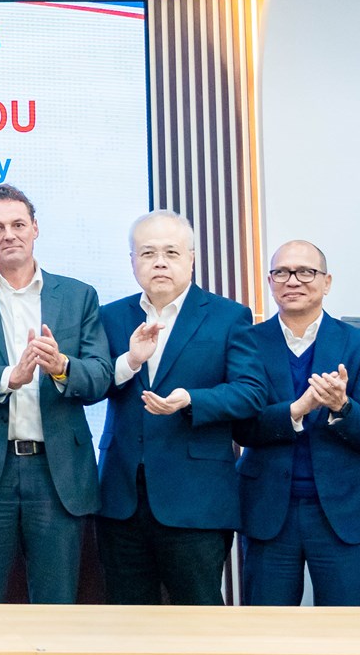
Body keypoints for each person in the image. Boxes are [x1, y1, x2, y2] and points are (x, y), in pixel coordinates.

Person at [0, 185, 111, 604]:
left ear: (35, 229)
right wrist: (10, 377)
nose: (8, 234)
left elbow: (100, 375)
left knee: (56, 603)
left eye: (17, 224)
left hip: (56, 472)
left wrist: (61, 367)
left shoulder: (79, 295)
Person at [95, 210, 264, 605]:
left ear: (191, 259)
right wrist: (129, 363)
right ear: (132, 261)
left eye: (171, 252)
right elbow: (92, 385)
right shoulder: (111, 316)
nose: (159, 262)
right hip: (123, 496)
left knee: (199, 618)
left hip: (196, 499)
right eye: (147, 253)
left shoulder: (227, 317)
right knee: (126, 618)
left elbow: (251, 392)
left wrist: (192, 399)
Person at [233, 241, 360, 607]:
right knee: (266, 631)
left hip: (342, 511)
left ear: (326, 282)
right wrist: (295, 410)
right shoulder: (247, 342)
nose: (293, 281)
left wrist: (342, 407)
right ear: (270, 282)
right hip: (269, 508)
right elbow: (240, 428)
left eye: (306, 272)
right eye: (282, 272)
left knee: (348, 631)